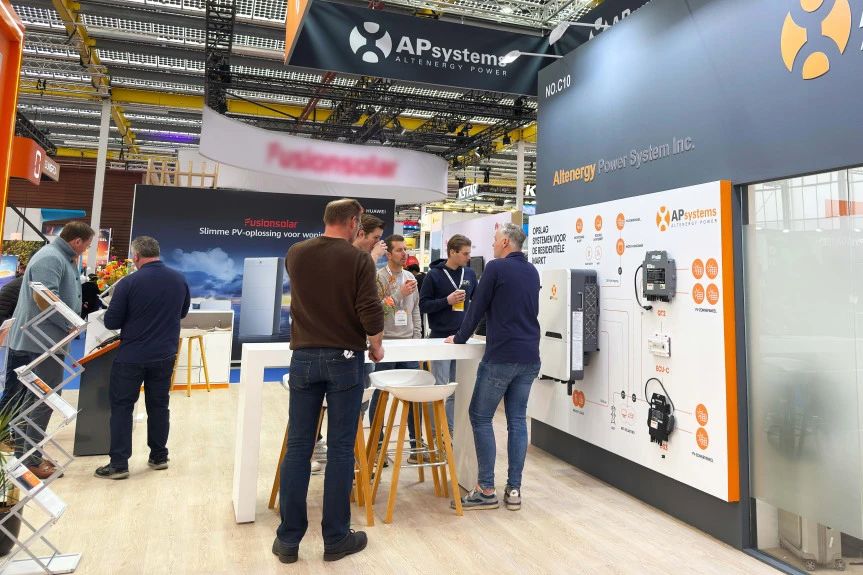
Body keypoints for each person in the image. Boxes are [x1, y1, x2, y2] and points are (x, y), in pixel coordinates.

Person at [273, 198, 384, 564]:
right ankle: (335, 538)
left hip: (303, 358)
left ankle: (287, 540)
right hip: (345, 359)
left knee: (298, 447)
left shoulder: (296, 253)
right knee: (339, 450)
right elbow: (369, 309)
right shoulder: (358, 259)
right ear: (352, 222)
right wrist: (376, 344)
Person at [445, 224, 540, 512]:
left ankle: (486, 489)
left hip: (502, 355)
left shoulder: (496, 268)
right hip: (529, 356)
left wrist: (459, 338)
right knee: (517, 421)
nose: (493, 244)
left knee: (480, 416)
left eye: (496, 240)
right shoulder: (532, 271)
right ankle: (514, 489)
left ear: (506, 242)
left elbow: (476, 308)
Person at [0, 222, 94, 479]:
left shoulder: (61, 257)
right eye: (87, 245)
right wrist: (70, 324)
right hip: (40, 344)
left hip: (45, 342)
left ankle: (27, 455)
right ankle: (29, 460)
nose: (87, 249)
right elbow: (45, 299)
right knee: (42, 400)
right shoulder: (51, 258)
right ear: (76, 241)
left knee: (34, 400)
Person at [94, 236, 190, 480]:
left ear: (136, 256)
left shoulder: (128, 283)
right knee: (159, 405)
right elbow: (182, 313)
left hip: (131, 356)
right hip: (165, 354)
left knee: (122, 408)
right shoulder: (179, 279)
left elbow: (111, 321)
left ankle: (119, 464)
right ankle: (159, 456)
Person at [368, 234, 423, 461]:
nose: (404, 254)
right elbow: (377, 312)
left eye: (405, 249)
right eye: (399, 250)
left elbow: (416, 310)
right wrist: (399, 294)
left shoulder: (410, 277)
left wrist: (417, 339)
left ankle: (416, 446)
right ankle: (377, 446)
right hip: (386, 344)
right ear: (388, 254)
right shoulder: (378, 278)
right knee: (380, 396)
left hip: (408, 344)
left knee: (415, 397)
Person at [419, 234, 477, 435]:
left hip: (462, 339)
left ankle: (450, 433)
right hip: (440, 339)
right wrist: (447, 301)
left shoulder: (469, 274)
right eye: (465, 253)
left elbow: (478, 302)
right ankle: (435, 433)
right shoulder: (433, 276)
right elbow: (424, 305)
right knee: (439, 387)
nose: (469, 257)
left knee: (456, 389)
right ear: (452, 252)